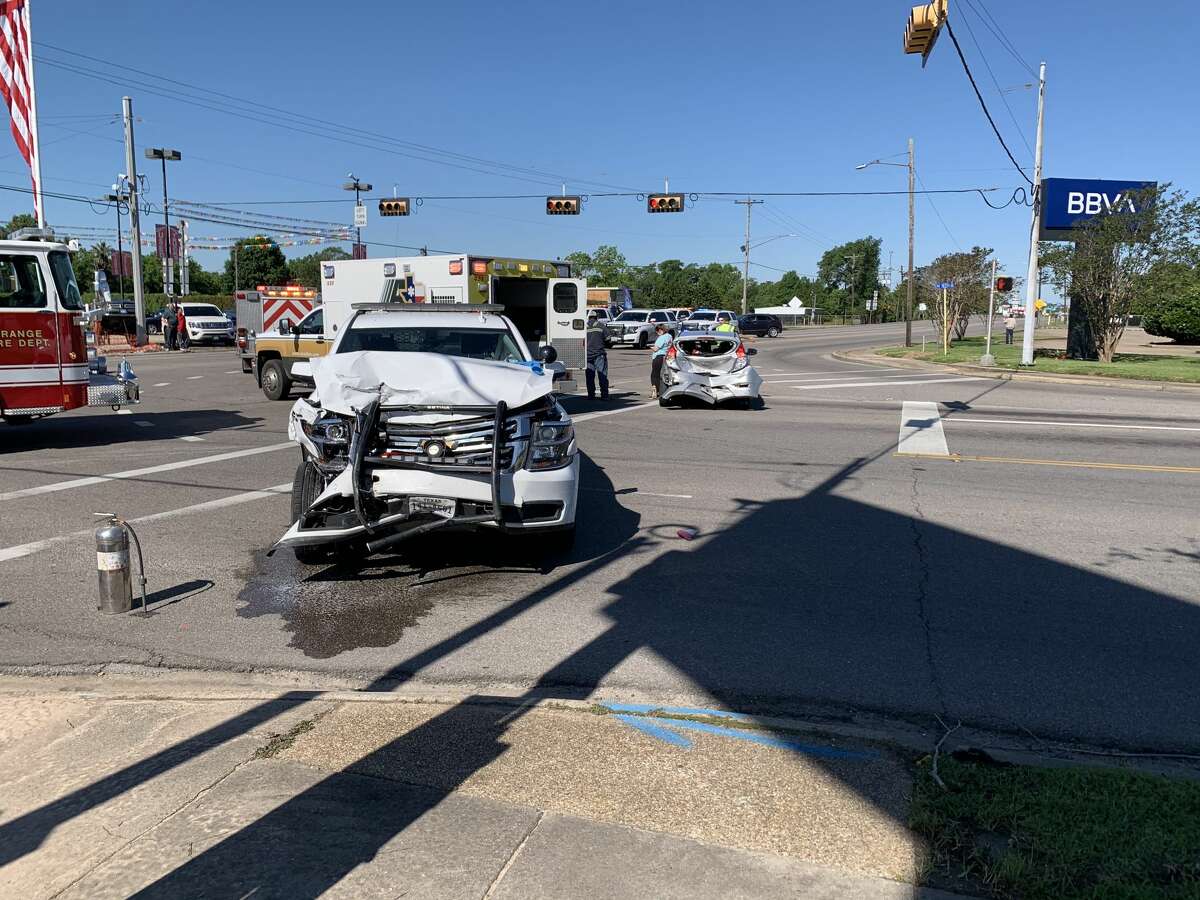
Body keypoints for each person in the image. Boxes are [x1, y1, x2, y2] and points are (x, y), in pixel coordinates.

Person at [585, 312, 610, 400]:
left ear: (589, 317)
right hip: (599, 354)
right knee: (602, 375)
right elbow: (608, 338)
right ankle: (604, 395)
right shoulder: (600, 325)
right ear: (596, 317)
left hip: (587, 356)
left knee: (589, 377)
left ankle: (591, 395)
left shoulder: (584, 327)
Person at [649, 324, 672, 400]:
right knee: (663, 375)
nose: (657, 333)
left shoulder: (662, 338)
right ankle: (663, 390)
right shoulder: (669, 336)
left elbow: (656, 349)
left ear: (660, 330)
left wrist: (650, 347)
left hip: (658, 357)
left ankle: (655, 391)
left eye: (657, 331)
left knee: (654, 374)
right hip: (666, 357)